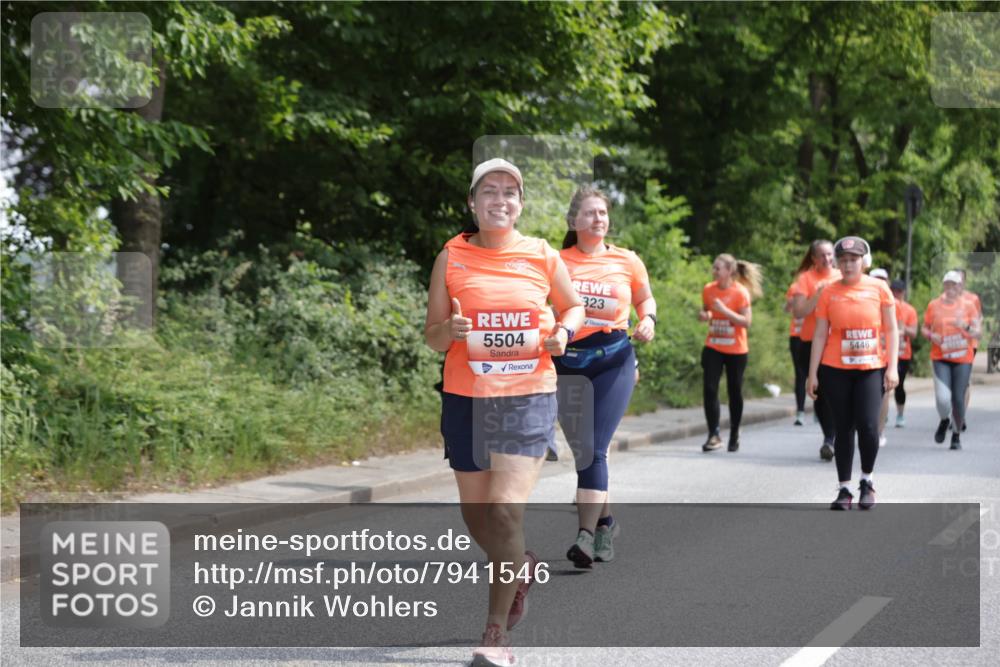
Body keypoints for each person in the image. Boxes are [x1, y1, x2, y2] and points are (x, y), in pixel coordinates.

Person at [424, 158, 585, 667]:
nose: (500, 199)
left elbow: (573, 306)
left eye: (510, 192)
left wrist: (564, 332)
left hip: (528, 395)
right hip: (466, 396)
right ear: (473, 203)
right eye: (489, 191)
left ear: (520, 204)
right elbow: (431, 335)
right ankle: (520, 564)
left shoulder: (540, 254)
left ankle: (495, 636)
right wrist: (449, 333)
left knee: (504, 511)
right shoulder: (450, 256)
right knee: (476, 516)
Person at [555, 186, 656, 569]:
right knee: (585, 450)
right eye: (590, 213)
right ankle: (605, 523)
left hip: (614, 360)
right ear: (573, 221)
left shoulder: (627, 260)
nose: (599, 219)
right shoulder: (556, 261)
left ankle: (583, 536)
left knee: (594, 448)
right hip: (568, 362)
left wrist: (647, 319)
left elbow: (645, 300)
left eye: (603, 212)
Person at [807, 236, 898, 510]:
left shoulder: (879, 289)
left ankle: (867, 481)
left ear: (864, 262)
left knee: (869, 426)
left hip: (870, 368)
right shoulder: (828, 292)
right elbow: (820, 333)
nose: (848, 265)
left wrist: (892, 367)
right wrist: (813, 374)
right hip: (835, 369)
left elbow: (892, 329)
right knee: (843, 428)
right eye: (843, 261)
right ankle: (844, 488)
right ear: (837, 263)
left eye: (853, 260)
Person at [698, 254, 762, 452]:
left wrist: (724, 310)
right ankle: (714, 434)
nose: (714, 271)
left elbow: (746, 322)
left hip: (736, 349)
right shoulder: (709, 289)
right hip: (714, 345)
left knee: (734, 391)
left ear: (729, 271)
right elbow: (708, 311)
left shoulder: (740, 292)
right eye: (714, 267)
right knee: (710, 388)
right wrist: (705, 315)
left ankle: (735, 431)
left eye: (718, 268)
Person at [791, 240, 841, 460]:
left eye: (830, 255)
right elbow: (799, 312)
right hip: (811, 343)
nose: (827, 259)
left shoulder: (841, 276)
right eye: (822, 256)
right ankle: (829, 437)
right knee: (820, 394)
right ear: (813, 259)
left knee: (835, 392)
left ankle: (835, 435)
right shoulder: (806, 279)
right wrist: (818, 295)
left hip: (837, 343)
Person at [921, 270, 981, 450]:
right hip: (941, 357)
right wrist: (932, 336)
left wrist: (966, 326)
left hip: (963, 357)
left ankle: (956, 435)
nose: (950, 288)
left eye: (954, 284)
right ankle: (944, 419)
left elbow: (978, 332)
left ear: (960, 286)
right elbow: (924, 328)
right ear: (943, 285)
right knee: (943, 398)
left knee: (958, 398)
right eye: (947, 284)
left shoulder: (969, 306)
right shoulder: (934, 305)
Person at [956, 268, 983, 432]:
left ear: (964, 281)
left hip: (969, 345)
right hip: (949, 347)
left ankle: (961, 415)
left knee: (964, 383)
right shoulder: (946, 299)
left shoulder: (973, 299)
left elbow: (978, 319)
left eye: (959, 280)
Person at [890, 279, 918, 428]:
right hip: (885, 352)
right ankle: (881, 412)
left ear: (904, 292)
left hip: (902, 354)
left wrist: (903, 329)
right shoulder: (884, 306)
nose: (896, 294)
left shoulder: (910, 310)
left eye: (899, 291)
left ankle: (900, 415)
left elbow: (914, 333)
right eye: (893, 290)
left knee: (899, 385)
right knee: (881, 386)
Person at [869, 268, 892, 447]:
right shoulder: (862, 299)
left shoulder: (892, 302)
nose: (880, 282)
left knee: (884, 394)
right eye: (876, 279)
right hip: (865, 357)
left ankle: (879, 431)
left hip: (885, 356)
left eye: (883, 280)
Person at [784, 278, 807, 425]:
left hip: (813, 337)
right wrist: (791, 303)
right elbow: (786, 309)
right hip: (796, 336)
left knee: (818, 374)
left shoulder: (820, 286)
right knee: (800, 374)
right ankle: (800, 411)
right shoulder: (794, 287)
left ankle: (820, 410)